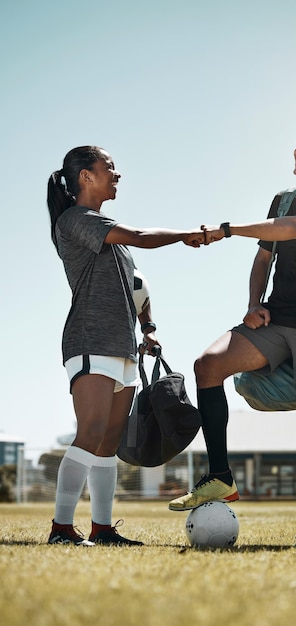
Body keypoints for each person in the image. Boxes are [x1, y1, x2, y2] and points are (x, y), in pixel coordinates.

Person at [169, 120, 296, 549]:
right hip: (275, 320)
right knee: (208, 365)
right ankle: (220, 476)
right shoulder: (284, 198)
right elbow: (263, 261)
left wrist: (227, 228)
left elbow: (291, 230)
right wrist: (255, 303)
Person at [46, 145, 207, 546]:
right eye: (110, 168)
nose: (117, 175)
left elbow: (137, 285)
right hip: (90, 339)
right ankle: (61, 529)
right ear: (85, 176)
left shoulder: (109, 234)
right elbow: (141, 236)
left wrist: (148, 327)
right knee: (91, 432)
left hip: (123, 346)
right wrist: (186, 235)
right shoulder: (75, 220)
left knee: (108, 443)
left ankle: (102, 529)